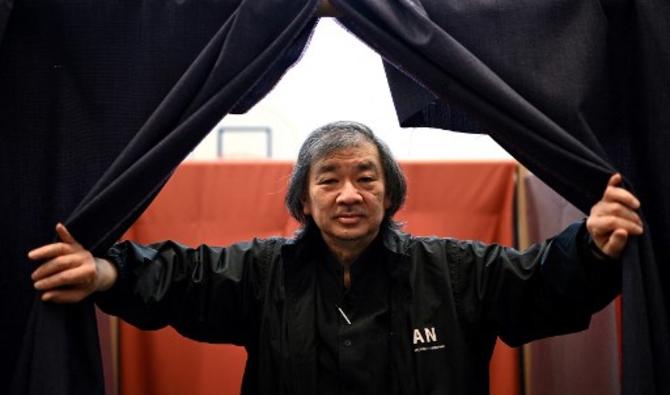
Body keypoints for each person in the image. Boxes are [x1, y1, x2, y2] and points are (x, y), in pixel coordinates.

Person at [28, 121, 643, 394]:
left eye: (365, 178)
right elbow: (180, 278)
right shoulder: (263, 272)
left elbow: (540, 283)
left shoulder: (455, 270)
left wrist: (590, 243)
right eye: (329, 180)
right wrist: (105, 270)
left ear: (390, 192)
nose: (349, 193)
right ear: (302, 197)